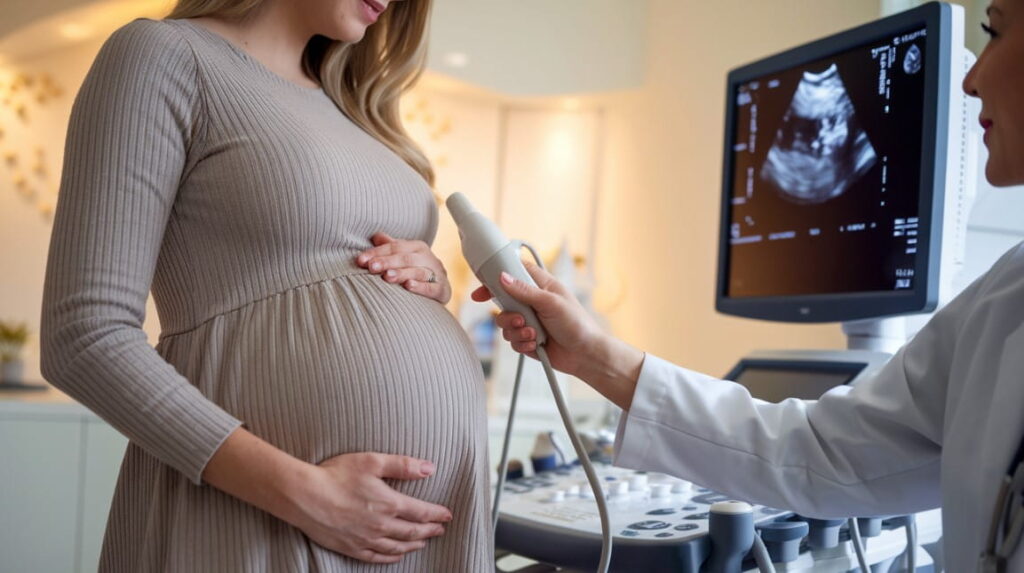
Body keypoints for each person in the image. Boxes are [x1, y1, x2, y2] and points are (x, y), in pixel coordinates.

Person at [476, 0, 1024, 570]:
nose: (971, 77)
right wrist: (596, 358)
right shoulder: (1003, 302)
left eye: (996, 32)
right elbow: (821, 453)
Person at [40, 0, 493, 571]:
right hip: (261, 517)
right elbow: (84, 337)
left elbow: (340, 261)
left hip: (418, 537)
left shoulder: (353, 107)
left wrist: (428, 282)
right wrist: (306, 495)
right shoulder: (165, 56)